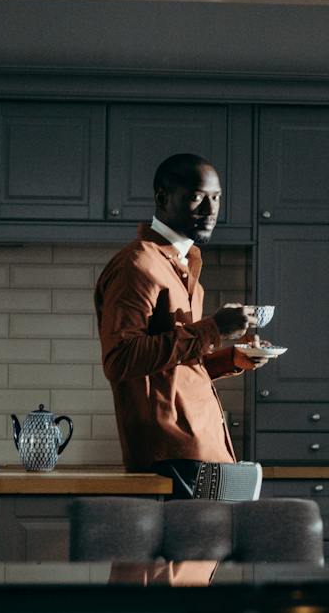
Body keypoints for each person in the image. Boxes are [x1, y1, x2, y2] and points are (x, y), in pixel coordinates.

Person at [94, 153, 272, 497]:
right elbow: (120, 359)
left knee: (206, 550)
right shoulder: (138, 266)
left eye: (216, 198)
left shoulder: (184, 266)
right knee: (184, 551)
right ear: (162, 198)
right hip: (169, 455)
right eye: (196, 197)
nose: (211, 209)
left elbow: (174, 368)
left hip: (200, 451)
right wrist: (213, 329)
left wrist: (232, 358)